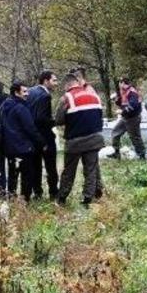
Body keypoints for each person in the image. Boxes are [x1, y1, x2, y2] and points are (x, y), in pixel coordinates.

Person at [55, 74, 105, 208]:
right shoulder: (95, 96)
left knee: (69, 172)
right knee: (91, 170)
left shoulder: (67, 97)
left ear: (67, 85)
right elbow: (100, 115)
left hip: (74, 142)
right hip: (94, 139)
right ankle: (87, 198)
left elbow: (58, 120)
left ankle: (61, 199)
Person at [0, 80, 47, 201]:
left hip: (9, 148)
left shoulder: (4, 106)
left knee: (12, 175)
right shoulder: (21, 108)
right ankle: (25, 200)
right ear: (16, 92)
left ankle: (11, 198)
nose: (27, 94)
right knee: (27, 176)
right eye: (24, 91)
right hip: (23, 148)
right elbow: (30, 128)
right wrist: (42, 142)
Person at [27, 70, 59, 199]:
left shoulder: (30, 91)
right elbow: (42, 118)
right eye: (54, 80)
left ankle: (37, 192)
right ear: (46, 81)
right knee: (51, 166)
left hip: (32, 135)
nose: (56, 83)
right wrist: (55, 121)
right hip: (44, 136)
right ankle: (53, 192)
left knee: (36, 166)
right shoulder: (46, 96)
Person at [110, 77, 146, 160]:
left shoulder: (132, 92)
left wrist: (121, 112)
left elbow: (133, 106)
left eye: (120, 83)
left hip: (133, 118)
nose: (119, 85)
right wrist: (115, 100)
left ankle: (142, 156)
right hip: (125, 118)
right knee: (115, 132)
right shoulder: (123, 92)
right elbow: (122, 103)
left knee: (135, 137)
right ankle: (116, 153)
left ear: (123, 83)